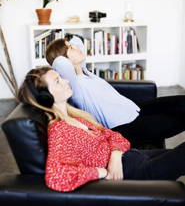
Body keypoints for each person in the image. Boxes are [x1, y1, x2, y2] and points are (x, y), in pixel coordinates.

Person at [18, 66, 185, 192]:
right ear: (46, 96)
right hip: (134, 173)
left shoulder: (76, 117)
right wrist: (101, 172)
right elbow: (57, 177)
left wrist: (115, 155)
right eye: (57, 81)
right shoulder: (60, 131)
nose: (66, 80)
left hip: (132, 157)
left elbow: (115, 136)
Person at [45, 36, 185, 148]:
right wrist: (58, 53)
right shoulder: (73, 86)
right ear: (64, 58)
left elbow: (78, 41)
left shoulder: (86, 72)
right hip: (126, 127)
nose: (76, 47)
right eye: (70, 48)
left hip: (135, 109)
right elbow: (59, 63)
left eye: (72, 45)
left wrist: (69, 46)